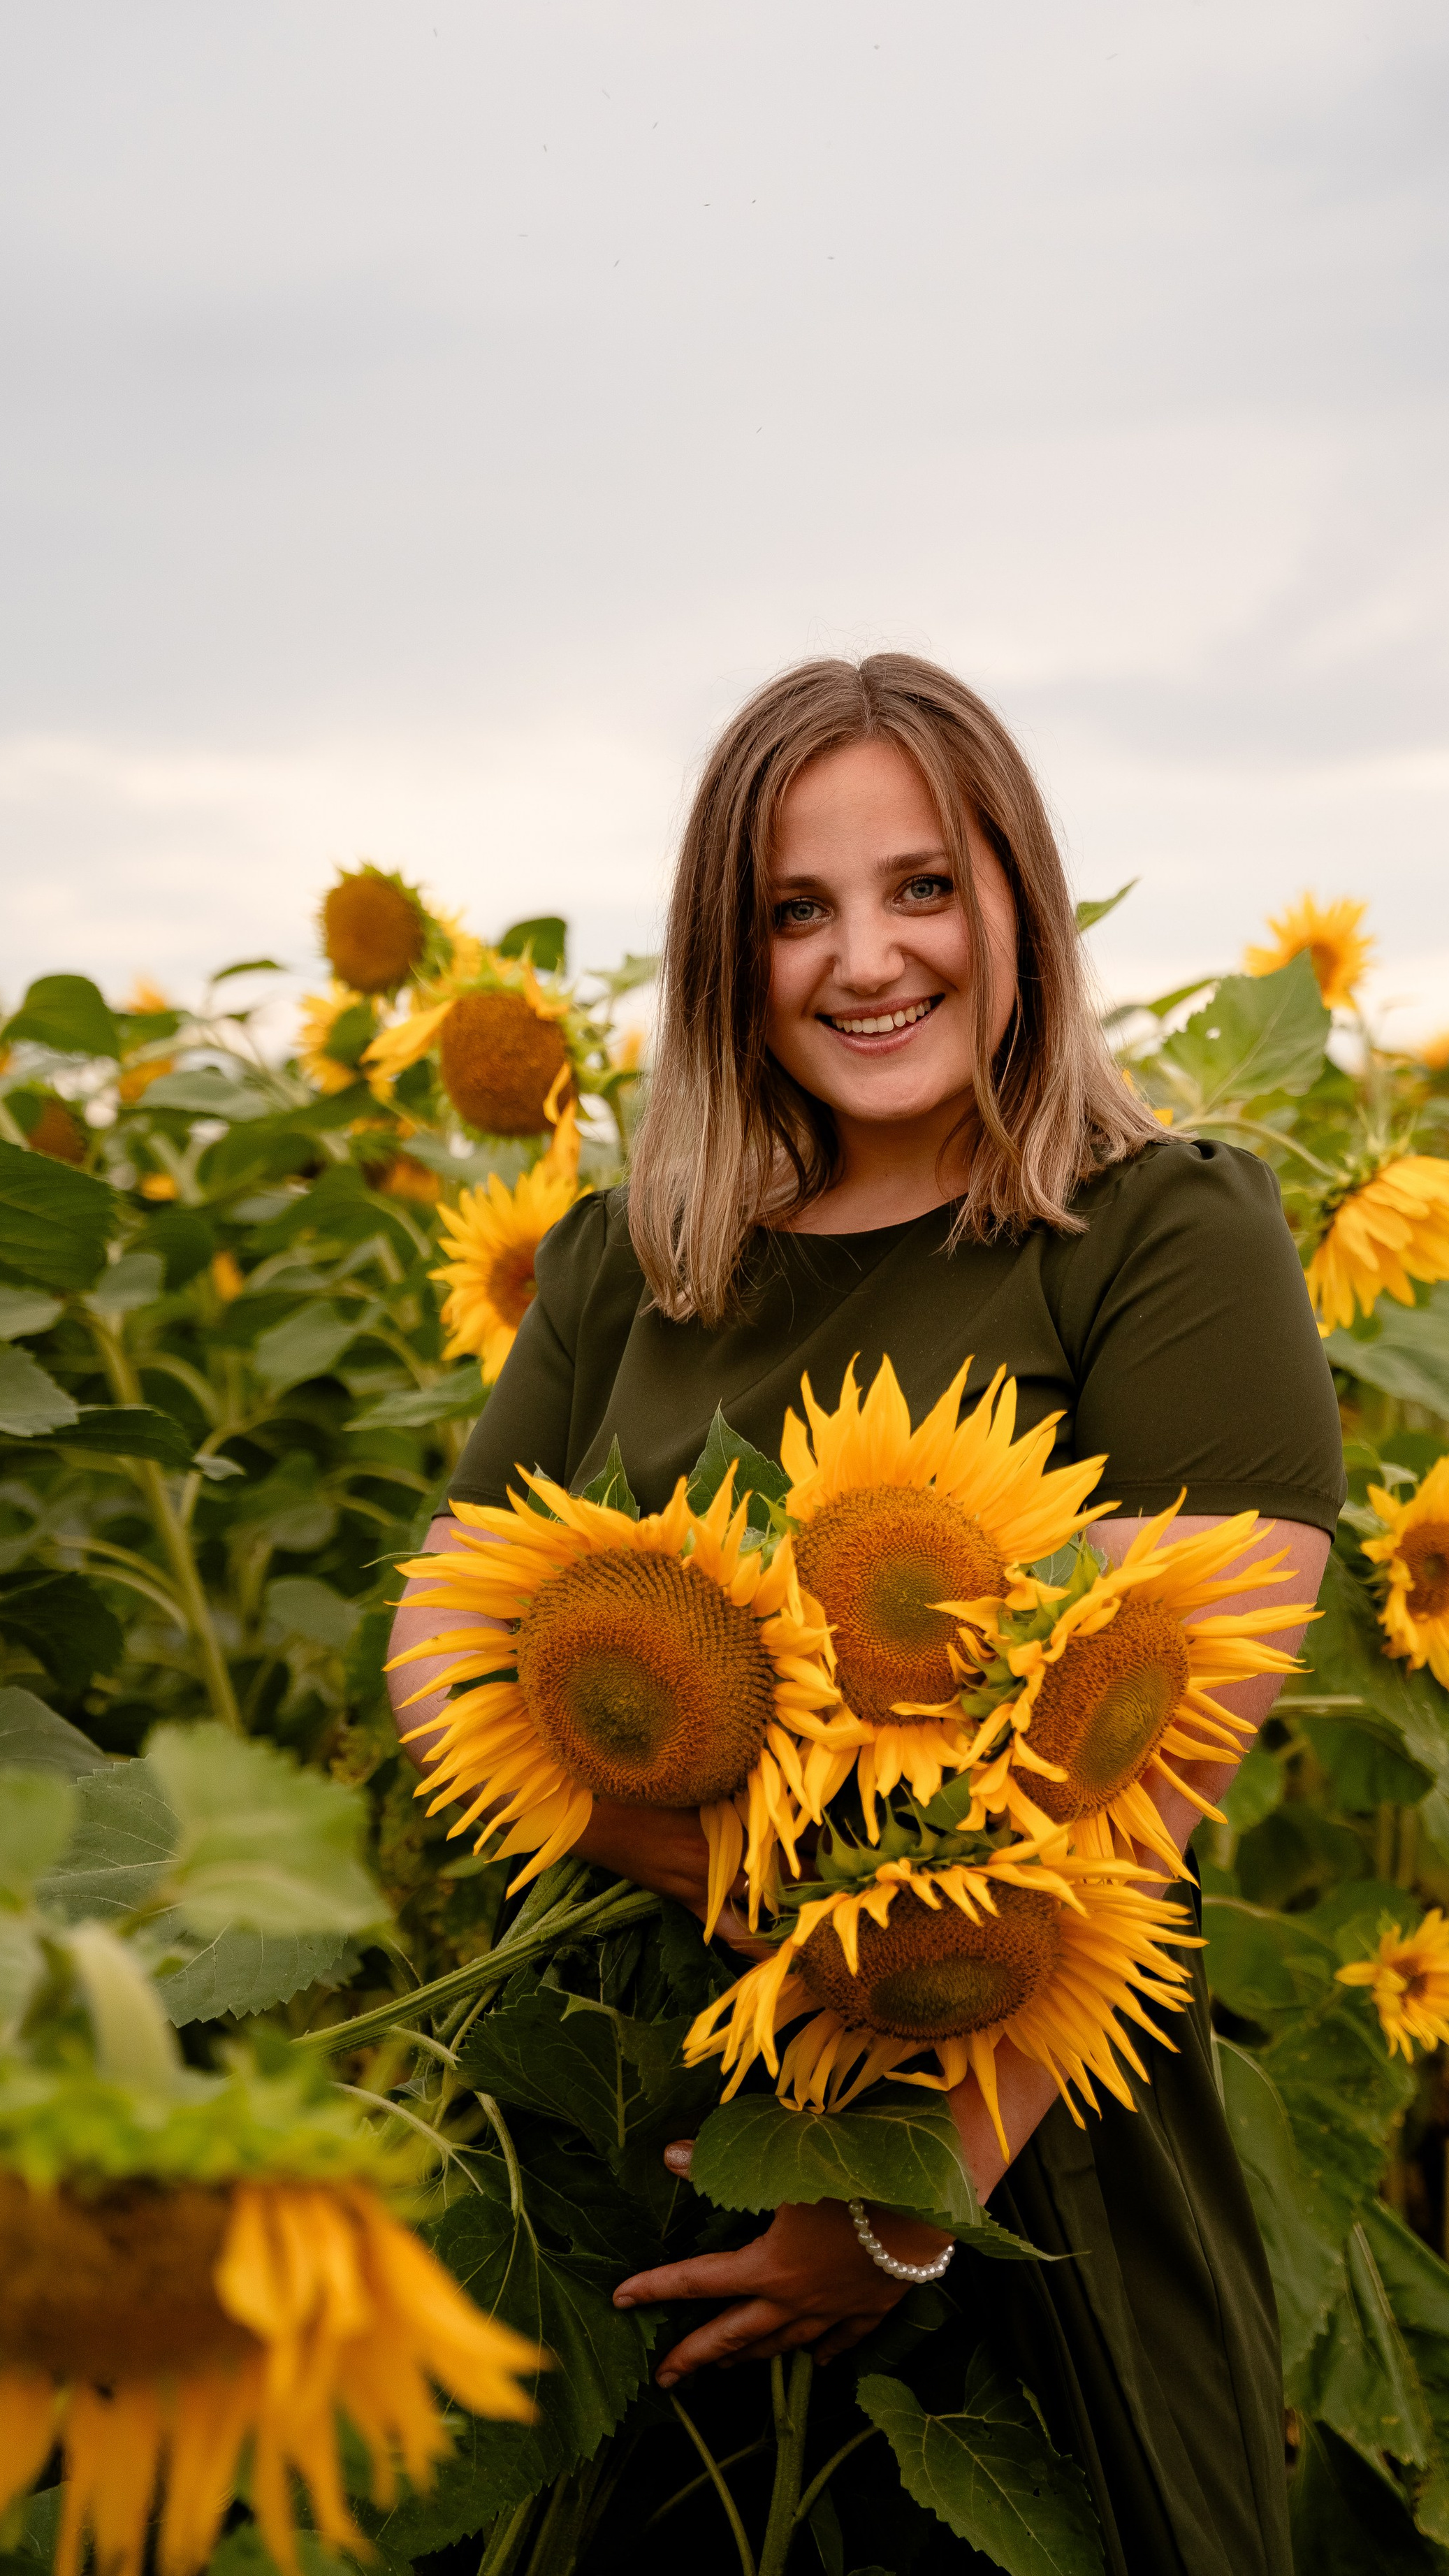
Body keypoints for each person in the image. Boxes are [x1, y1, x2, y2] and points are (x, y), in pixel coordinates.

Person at [387, 652, 1342, 2575]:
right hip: (631, 2143)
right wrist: (705, 1867)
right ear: (724, 960)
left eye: (922, 887)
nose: (864, 959)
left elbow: (1147, 1799)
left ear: (1019, 902)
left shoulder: (1165, 1235)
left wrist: (899, 2214)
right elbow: (436, 1639)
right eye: (793, 913)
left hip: (1015, 2150)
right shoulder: (631, 1261)